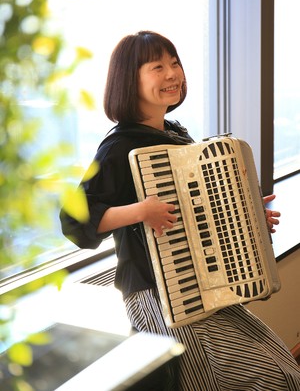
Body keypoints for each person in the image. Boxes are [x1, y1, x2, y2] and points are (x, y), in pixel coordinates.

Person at [60, 31, 300, 390]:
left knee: (281, 369)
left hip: (201, 287)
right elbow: (74, 222)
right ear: (130, 80)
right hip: (157, 294)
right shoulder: (118, 147)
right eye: (158, 66)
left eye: (175, 63)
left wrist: (248, 219)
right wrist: (141, 211)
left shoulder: (175, 135)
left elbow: (197, 217)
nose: (173, 74)